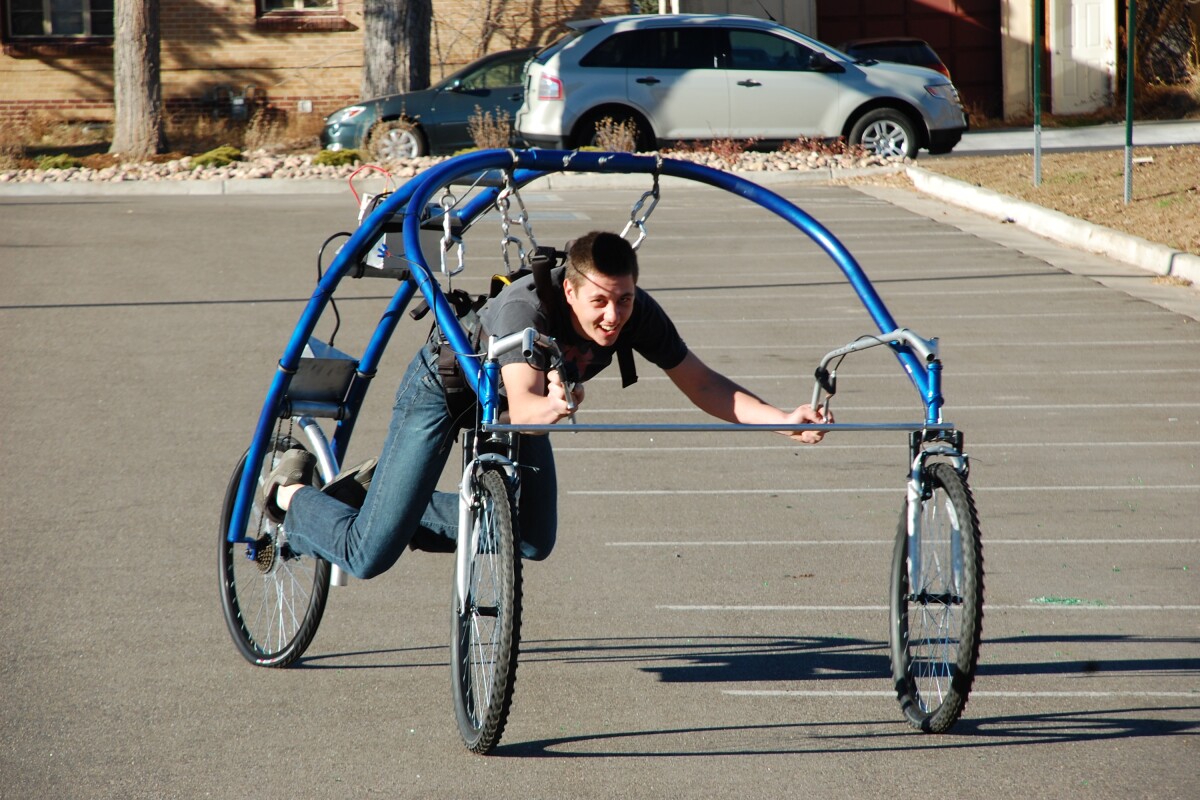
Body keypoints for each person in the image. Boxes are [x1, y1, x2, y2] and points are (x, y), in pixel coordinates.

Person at [264, 231, 830, 579]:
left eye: (625, 299)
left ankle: (387, 498)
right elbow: (525, 407)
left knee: (531, 539)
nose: (614, 316)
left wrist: (783, 420)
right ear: (570, 291)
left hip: (525, 405)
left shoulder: (637, 312)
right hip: (445, 391)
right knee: (368, 555)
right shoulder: (524, 310)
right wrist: (556, 406)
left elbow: (703, 383)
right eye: (600, 302)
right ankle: (288, 493)